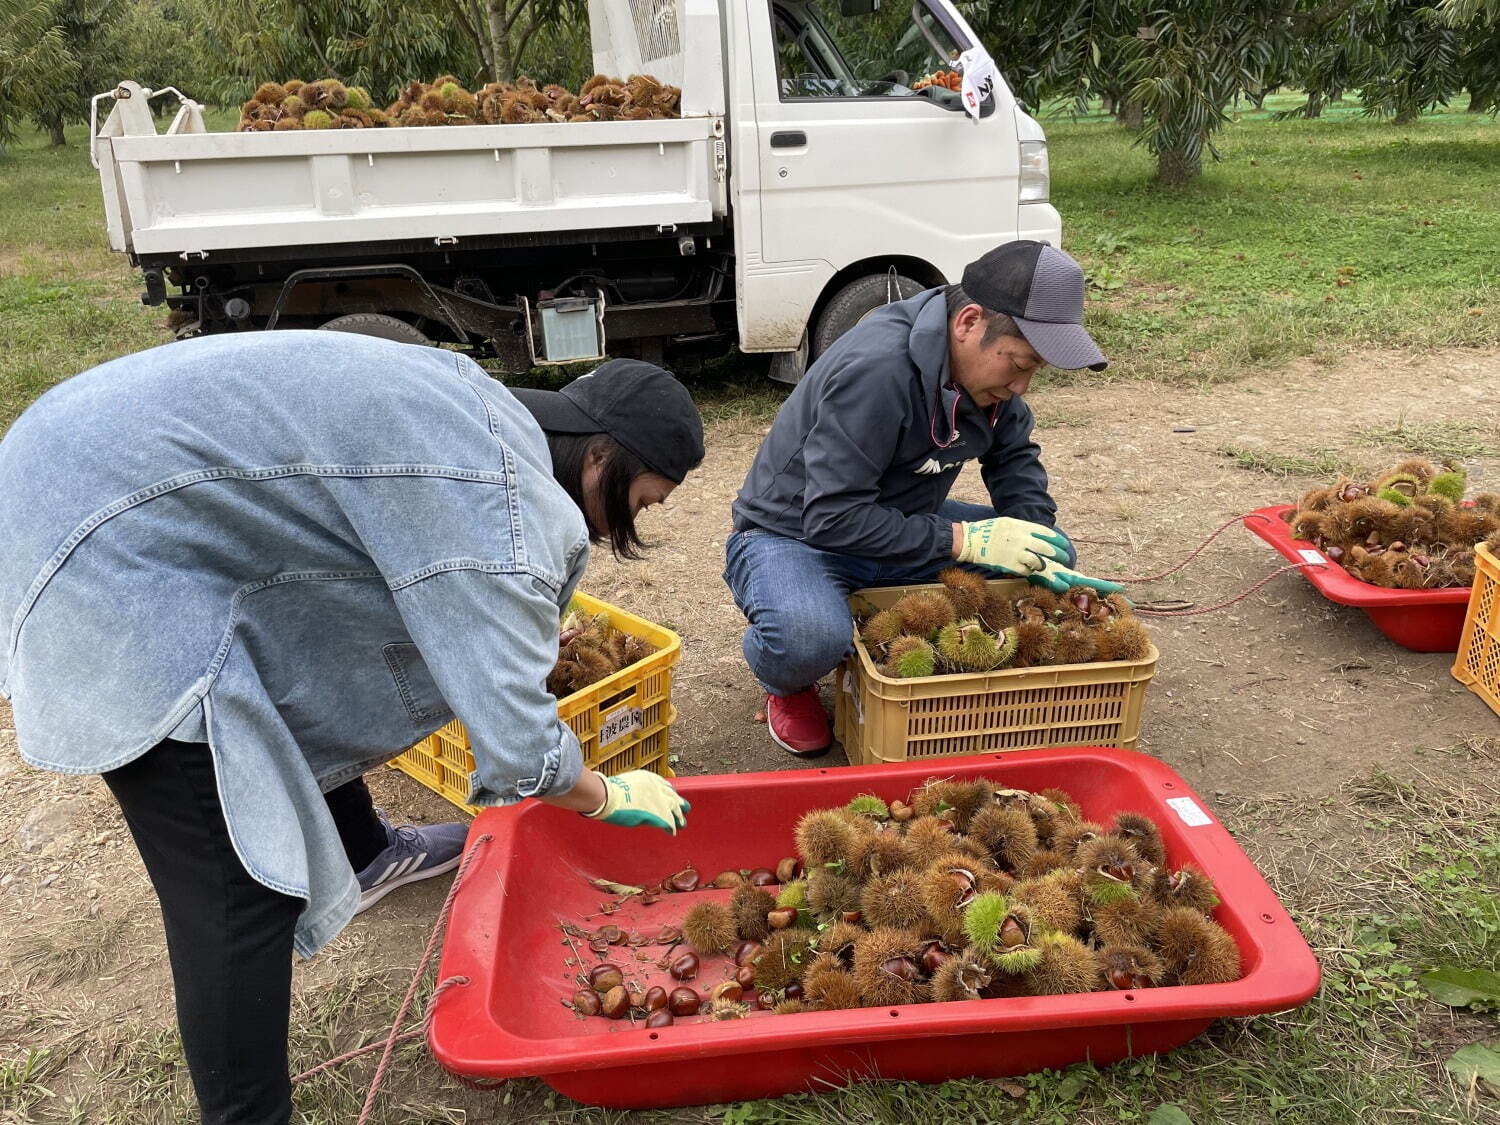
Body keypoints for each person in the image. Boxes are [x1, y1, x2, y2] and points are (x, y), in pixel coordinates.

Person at [0, 332, 702, 1125]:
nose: (628, 526)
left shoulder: (488, 414)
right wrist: (604, 792)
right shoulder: (502, 501)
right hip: (99, 533)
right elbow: (520, 746)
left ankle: (364, 854)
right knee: (239, 886)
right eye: (641, 502)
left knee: (302, 666)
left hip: (82, 450)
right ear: (601, 461)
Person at [724, 240, 1121, 757]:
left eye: (1035, 371)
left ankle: (864, 617)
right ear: (969, 323)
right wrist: (965, 540)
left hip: (901, 522)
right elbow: (831, 518)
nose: (1022, 385)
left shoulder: (989, 382)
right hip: (795, 533)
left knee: (1054, 550)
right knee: (808, 638)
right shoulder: (878, 370)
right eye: (1019, 363)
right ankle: (786, 676)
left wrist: (1032, 535)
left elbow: (1014, 460)